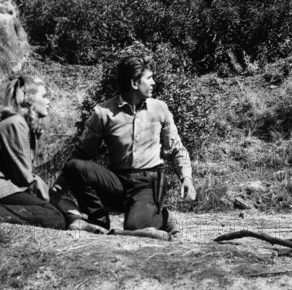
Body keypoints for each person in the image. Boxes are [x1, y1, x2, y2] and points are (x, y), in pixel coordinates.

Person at [51, 56, 196, 240]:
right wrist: (60, 184)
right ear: (135, 83)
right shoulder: (104, 113)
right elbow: (82, 152)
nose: (154, 83)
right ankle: (98, 222)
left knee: (134, 228)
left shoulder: (160, 109)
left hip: (148, 182)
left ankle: (164, 217)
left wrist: (186, 177)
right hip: (117, 183)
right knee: (75, 167)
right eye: (149, 78)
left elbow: (176, 148)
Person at [0, 76, 81, 229]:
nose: (48, 101)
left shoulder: (21, 124)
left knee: (52, 212)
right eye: (44, 96)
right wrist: (57, 200)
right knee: (52, 216)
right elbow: (24, 177)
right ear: (29, 98)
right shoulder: (15, 123)